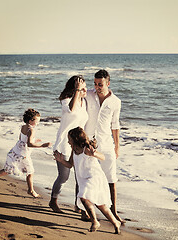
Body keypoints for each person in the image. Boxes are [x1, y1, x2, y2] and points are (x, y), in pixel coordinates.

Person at [54, 127, 121, 234]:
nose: (68, 141)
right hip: (84, 179)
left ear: (76, 139)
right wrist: (61, 160)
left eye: (69, 139)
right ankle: (115, 223)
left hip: (94, 177)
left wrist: (94, 154)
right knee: (101, 205)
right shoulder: (74, 150)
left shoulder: (86, 148)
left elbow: (103, 157)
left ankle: (94, 221)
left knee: (83, 196)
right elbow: (70, 165)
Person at [84, 69, 125, 224]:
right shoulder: (88, 94)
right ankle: (83, 210)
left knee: (111, 178)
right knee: (85, 175)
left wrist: (117, 147)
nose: (97, 87)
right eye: (95, 83)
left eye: (100, 84)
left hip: (106, 144)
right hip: (88, 143)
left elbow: (115, 125)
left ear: (108, 83)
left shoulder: (116, 102)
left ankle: (113, 210)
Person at [0, 108, 51, 198]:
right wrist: (42, 145)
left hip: (17, 150)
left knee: (10, 169)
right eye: (37, 121)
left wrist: (35, 140)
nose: (38, 123)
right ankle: (31, 190)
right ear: (31, 120)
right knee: (30, 172)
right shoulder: (31, 130)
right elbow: (29, 144)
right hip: (24, 154)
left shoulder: (24, 127)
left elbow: (22, 139)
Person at [49, 75, 88, 213]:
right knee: (64, 177)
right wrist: (77, 91)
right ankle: (53, 201)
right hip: (64, 144)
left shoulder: (84, 102)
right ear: (75, 88)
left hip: (78, 145)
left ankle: (78, 205)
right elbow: (71, 109)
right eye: (82, 87)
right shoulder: (66, 100)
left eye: (84, 87)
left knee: (80, 177)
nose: (85, 90)